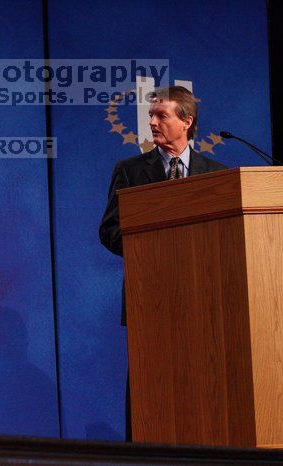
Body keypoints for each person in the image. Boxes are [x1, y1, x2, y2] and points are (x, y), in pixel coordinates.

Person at [98, 86, 227, 440]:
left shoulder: (216, 175)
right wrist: (150, 249)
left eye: (162, 116)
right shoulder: (130, 171)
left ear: (186, 121)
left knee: (204, 385)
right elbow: (109, 230)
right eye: (151, 116)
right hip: (149, 298)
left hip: (203, 299)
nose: (152, 122)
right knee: (148, 391)